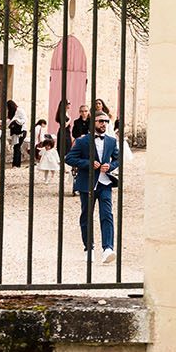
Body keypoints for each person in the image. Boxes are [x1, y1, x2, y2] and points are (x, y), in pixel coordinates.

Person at [64, 111, 119, 263]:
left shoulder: (111, 141)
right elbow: (69, 158)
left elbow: (117, 158)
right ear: (93, 122)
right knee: (86, 216)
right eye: (101, 121)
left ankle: (108, 248)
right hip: (86, 184)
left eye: (106, 121)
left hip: (105, 183)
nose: (104, 124)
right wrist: (88, 163)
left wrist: (111, 165)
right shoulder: (83, 141)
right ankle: (89, 248)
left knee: (107, 215)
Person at [6, 100, 26, 168]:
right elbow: (9, 121)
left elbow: (24, 120)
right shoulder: (12, 112)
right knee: (16, 147)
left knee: (17, 147)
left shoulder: (20, 110)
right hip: (15, 132)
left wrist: (17, 121)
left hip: (21, 131)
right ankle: (16, 164)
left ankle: (16, 164)